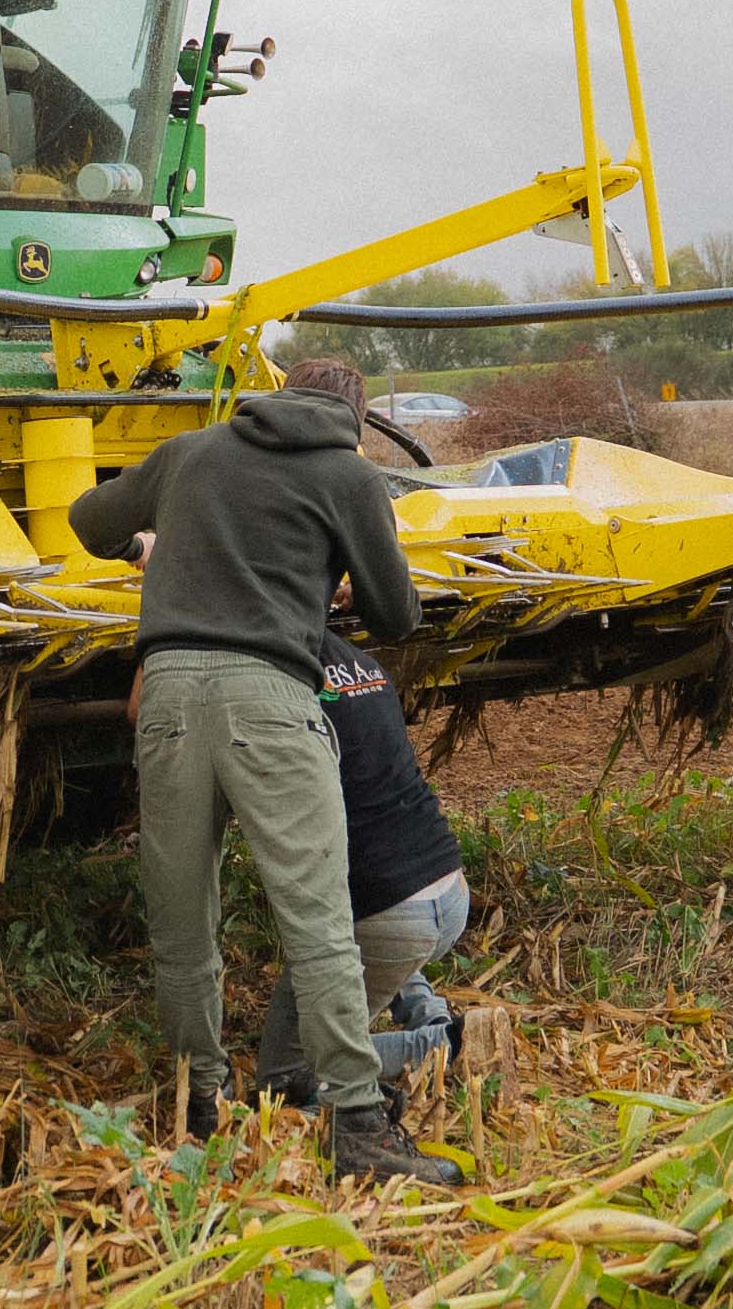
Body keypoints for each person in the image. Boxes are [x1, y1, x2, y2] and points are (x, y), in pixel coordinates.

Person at [69, 354, 463, 1188]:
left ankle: (199, 1112)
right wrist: (330, 582)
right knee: (317, 923)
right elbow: (397, 614)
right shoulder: (349, 475)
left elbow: (86, 519)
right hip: (272, 702)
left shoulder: (195, 451)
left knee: (183, 925)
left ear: (279, 396)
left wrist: (148, 543)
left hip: (168, 694)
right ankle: (357, 1126)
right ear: (354, 420)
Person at [251, 622, 470, 1120]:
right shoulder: (363, 664)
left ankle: (443, 1044)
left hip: (388, 919)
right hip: (446, 889)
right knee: (379, 956)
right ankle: (428, 1011)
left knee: (286, 1079)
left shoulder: (277, 676)